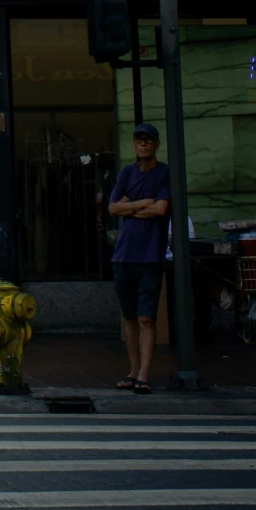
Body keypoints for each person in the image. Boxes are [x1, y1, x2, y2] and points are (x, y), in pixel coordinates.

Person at [108, 123, 172, 392]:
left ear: (157, 144)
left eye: (148, 140)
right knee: (130, 317)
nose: (143, 144)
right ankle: (133, 370)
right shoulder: (126, 172)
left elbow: (160, 210)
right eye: (138, 140)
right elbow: (113, 207)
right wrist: (142, 203)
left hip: (150, 257)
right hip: (124, 256)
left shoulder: (165, 173)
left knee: (147, 317)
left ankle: (144, 373)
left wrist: (129, 207)